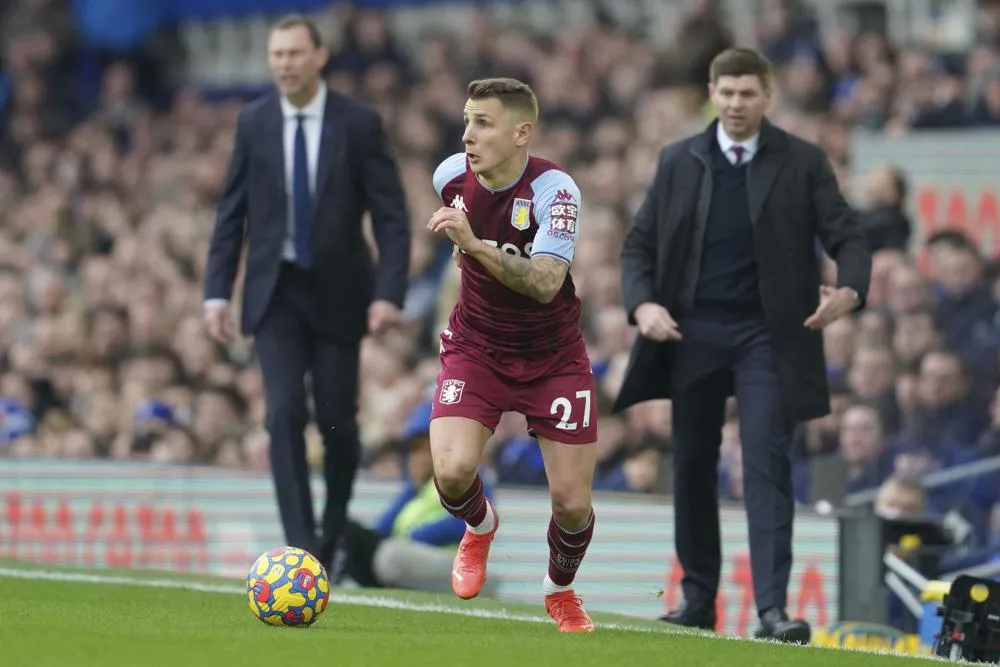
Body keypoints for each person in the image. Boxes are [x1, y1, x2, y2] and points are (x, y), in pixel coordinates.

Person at [613, 48, 871, 643]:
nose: (735, 104)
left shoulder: (803, 162)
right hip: (692, 331)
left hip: (768, 335)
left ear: (767, 97)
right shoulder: (680, 159)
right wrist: (643, 305)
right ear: (711, 92)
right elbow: (638, 246)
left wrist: (851, 289)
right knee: (694, 465)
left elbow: (847, 235)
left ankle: (772, 611)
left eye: (747, 94)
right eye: (726, 93)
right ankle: (698, 598)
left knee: (766, 464)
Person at [202, 15, 411, 574]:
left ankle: (332, 525)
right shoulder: (254, 122)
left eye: (295, 53)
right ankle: (302, 547)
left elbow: (391, 216)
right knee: (282, 411)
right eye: (277, 55)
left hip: (341, 294)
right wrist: (216, 293)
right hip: (276, 294)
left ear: (320, 56)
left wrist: (389, 292)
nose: (285, 64)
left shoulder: (359, 123)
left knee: (339, 424)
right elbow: (232, 212)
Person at [424, 78, 598, 633]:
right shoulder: (449, 177)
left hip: (553, 357)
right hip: (477, 347)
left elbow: (547, 282)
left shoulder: (555, 191)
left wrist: (474, 245)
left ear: (522, 133)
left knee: (571, 504)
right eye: (468, 121)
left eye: (483, 123)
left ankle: (560, 590)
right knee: (452, 474)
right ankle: (479, 528)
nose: (468, 135)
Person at [340, 401, 503, 597]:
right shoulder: (418, 488)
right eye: (415, 451)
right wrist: (412, 489)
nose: (419, 457)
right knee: (346, 531)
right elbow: (381, 530)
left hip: (447, 559)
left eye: (426, 449)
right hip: (408, 555)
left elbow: (471, 523)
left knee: (391, 556)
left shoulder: (470, 476)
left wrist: (414, 537)